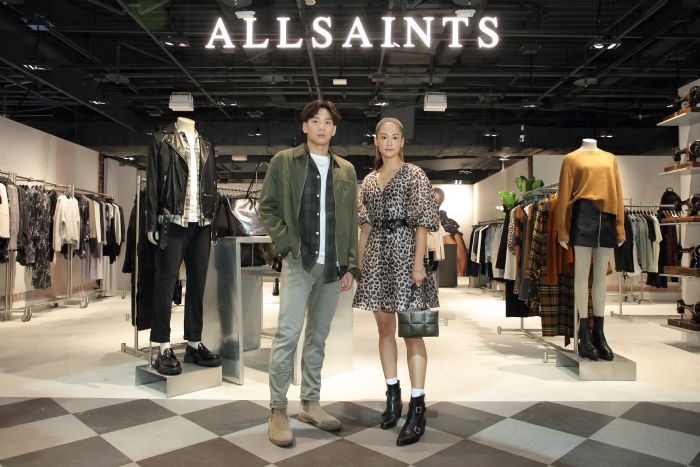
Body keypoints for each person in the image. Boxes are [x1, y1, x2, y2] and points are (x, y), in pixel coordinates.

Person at [259, 99, 359, 447]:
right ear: (305, 126)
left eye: (327, 122)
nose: (321, 126)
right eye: (315, 121)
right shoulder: (284, 161)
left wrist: (351, 264)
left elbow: (350, 219)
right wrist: (286, 244)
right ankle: (277, 409)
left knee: (318, 337)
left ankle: (311, 403)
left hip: (333, 266)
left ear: (334, 129)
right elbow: (268, 207)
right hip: (299, 262)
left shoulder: (346, 170)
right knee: (288, 335)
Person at [353, 117, 440, 446]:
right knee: (385, 330)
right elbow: (365, 227)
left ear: (402, 141)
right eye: (383, 137)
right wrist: (360, 264)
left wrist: (418, 265)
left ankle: (418, 406)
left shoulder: (415, 174)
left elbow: (422, 224)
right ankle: (393, 395)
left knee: (414, 333)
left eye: (394, 137)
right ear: (376, 141)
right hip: (377, 260)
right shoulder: (369, 180)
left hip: (407, 259)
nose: (389, 142)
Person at [145, 116, 222, 375]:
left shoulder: (206, 144)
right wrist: (151, 222)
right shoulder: (161, 140)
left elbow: (211, 184)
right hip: (172, 220)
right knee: (165, 285)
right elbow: (153, 182)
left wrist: (212, 220)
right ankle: (163, 346)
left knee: (198, 286)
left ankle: (194, 343)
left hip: (202, 222)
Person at [556, 138, 625, 361]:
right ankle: (584, 333)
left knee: (600, 276)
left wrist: (620, 226)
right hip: (583, 214)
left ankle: (599, 334)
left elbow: (617, 192)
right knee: (582, 273)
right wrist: (562, 229)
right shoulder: (571, 159)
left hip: (607, 215)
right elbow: (564, 195)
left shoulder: (610, 158)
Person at [433, 188, 468, 276]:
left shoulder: (439, 215)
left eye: (439, 203)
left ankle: (461, 272)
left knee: (455, 235)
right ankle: (461, 272)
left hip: (441, 228)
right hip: (433, 231)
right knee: (452, 238)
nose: (436, 204)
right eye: (435, 201)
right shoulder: (423, 210)